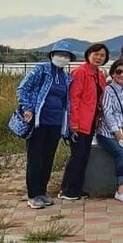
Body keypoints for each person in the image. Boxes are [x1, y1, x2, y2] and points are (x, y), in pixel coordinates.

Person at [17, 41, 74, 209]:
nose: (62, 58)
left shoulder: (65, 77)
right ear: (52, 55)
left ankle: (42, 191)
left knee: (48, 158)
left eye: (66, 56)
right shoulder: (41, 69)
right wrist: (27, 108)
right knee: (35, 158)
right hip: (38, 122)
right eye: (60, 54)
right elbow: (22, 88)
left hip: (55, 123)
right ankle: (33, 195)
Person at [59, 43, 108, 201]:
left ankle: (76, 188)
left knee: (84, 155)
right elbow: (74, 99)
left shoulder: (99, 75)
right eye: (96, 54)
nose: (99, 57)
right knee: (77, 155)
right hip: (79, 121)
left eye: (102, 55)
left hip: (92, 120)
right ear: (88, 54)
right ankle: (68, 189)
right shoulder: (80, 72)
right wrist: (73, 123)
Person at [96, 59, 123, 203]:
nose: (121, 75)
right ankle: (120, 189)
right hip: (107, 132)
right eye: (118, 72)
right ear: (113, 73)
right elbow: (107, 112)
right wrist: (116, 131)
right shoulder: (108, 90)